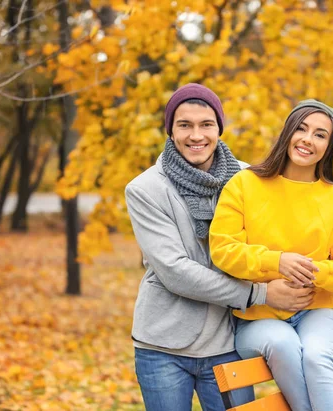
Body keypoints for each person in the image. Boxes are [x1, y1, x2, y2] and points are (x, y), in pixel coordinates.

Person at [125, 83, 316, 411]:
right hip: (164, 347)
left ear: (219, 129)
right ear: (170, 131)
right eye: (184, 125)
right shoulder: (145, 189)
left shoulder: (247, 178)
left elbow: (278, 233)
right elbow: (175, 271)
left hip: (228, 342)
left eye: (206, 124)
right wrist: (262, 294)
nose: (195, 135)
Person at [209, 99, 333, 411]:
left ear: (329, 146)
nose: (308, 139)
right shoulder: (245, 184)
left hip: (319, 310)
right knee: (283, 344)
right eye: (302, 128)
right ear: (287, 133)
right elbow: (223, 251)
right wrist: (277, 262)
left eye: (320, 135)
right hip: (258, 316)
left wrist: (310, 273)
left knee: (316, 355)